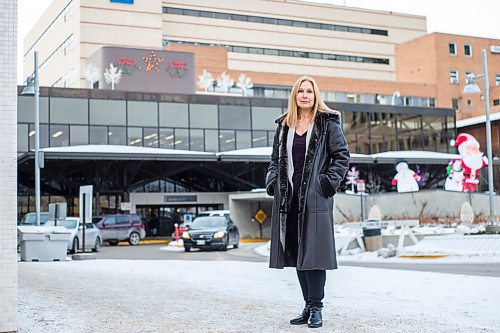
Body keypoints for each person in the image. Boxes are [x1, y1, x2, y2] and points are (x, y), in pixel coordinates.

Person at [266, 76, 350, 328]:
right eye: (300, 91)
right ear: (294, 96)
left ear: (315, 96)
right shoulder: (284, 126)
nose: (304, 95)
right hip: (288, 199)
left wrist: (326, 183)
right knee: (297, 252)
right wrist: (273, 182)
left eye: (309, 91)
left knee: (315, 254)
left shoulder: (327, 124)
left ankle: (316, 307)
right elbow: (274, 161)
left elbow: (341, 157)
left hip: (315, 199)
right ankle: (307, 304)